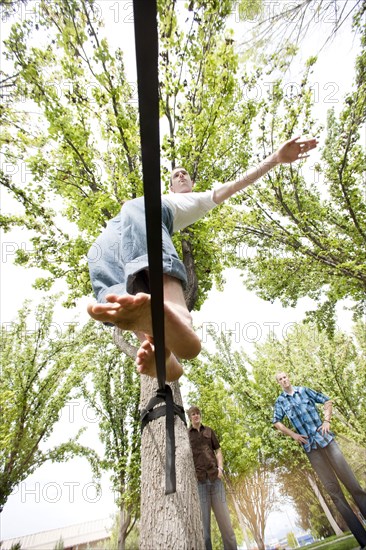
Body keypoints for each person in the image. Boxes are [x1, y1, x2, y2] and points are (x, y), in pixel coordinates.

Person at [87, 137, 318, 380]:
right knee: (97, 251)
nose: (181, 176)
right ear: (170, 188)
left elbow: (235, 185)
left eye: (184, 173)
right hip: (119, 229)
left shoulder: (198, 199)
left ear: (193, 183)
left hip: (147, 211)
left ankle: (177, 311)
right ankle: (160, 351)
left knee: (137, 206)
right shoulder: (147, 205)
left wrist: (274, 159)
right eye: (175, 176)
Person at [273, 372, 366, 549]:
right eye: (280, 379)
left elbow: (327, 400)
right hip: (311, 449)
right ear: (278, 383)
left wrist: (327, 420)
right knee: (335, 494)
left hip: (327, 441)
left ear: (289, 378)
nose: (284, 380)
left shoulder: (304, 391)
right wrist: (293, 435)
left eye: (285, 377)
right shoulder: (280, 402)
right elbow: (277, 422)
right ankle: (363, 540)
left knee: (353, 485)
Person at [187, 406, 237, 550]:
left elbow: (218, 451)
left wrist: (220, 468)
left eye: (197, 413)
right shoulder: (187, 435)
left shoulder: (209, 431)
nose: (196, 416)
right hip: (200, 483)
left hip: (216, 481)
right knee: (205, 531)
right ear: (190, 418)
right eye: (193, 414)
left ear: (200, 416)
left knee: (227, 526)